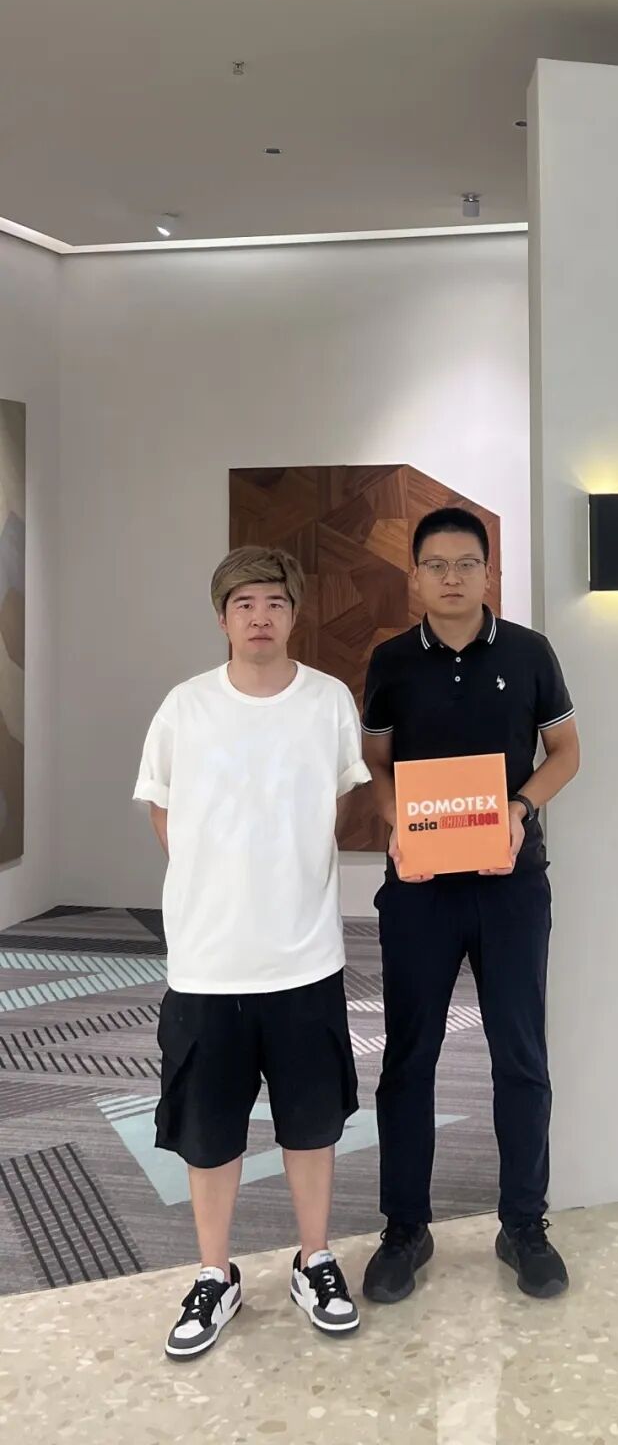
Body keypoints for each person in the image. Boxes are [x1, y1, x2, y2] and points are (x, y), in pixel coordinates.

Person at [134, 545, 370, 1359]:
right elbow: (162, 809)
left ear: (295, 614)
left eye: (274, 602)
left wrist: (284, 873)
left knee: (312, 1123)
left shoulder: (327, 700)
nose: (260, 616)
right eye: (244, 604)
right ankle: (214, 1273)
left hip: (305, 957)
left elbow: (339, 801)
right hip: (208, 962)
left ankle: (316, 1259)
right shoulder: (185, 707)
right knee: (209, 1131)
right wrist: (215, 879)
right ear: (222, 618)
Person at [360, 508, 581, 1304]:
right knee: (408, 1058)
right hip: (420, 889)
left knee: (520, 1056)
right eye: (436, 565)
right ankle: (404, 1228)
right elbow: (378, 764)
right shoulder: (390, 661)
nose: (451, 577)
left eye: (466, 563)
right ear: (415, 577)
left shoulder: (529, 652)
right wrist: (399, 824)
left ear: (489, 572)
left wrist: (519, 808)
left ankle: (523, 1224)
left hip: (510, 883)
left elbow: (566, 753)